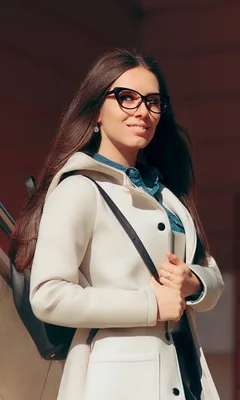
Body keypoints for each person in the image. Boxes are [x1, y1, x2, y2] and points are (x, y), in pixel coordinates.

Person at [9, 48, 224, 400]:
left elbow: (211, 274)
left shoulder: (168, 195)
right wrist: (149, 305)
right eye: (127, 98)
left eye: (153, 102)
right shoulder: (80, 188)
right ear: (96, 111)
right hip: (115, 381)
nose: (142, 111)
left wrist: (195, 282)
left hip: (185, 375)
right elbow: (48, 296)